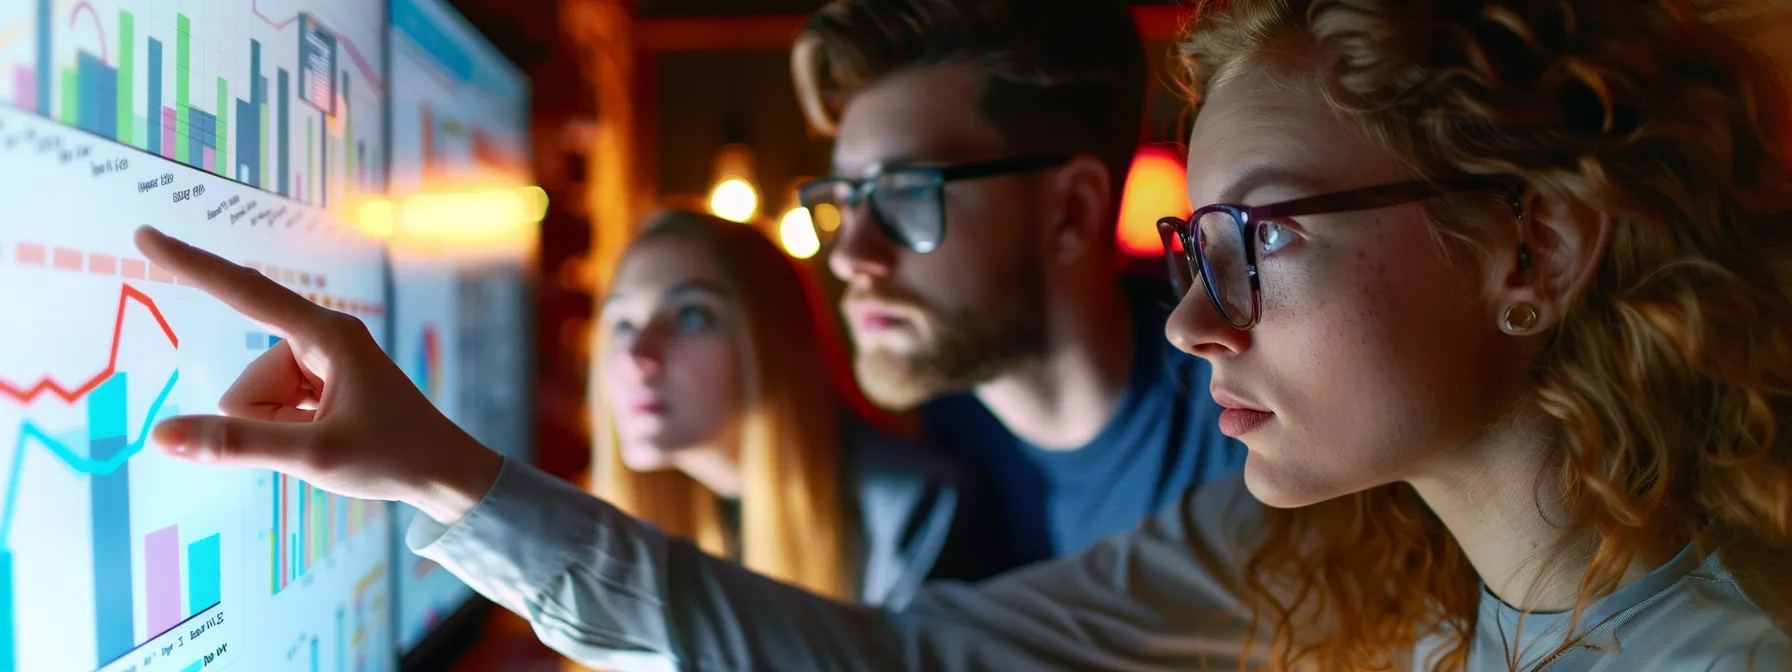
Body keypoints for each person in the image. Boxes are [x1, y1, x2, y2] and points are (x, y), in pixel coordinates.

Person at [136, 0, 1792, 668]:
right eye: (1191, 246)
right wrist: (440, 477)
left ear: (1539, 246)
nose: (1196, 318)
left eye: (1257, 240)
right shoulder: (1342, 542)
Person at [791, 0, 1245, 571]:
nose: (851, 257)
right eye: (846, 200)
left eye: (906, 194)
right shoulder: (923, 476)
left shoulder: (1246, 427)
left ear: (1072, 211)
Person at [588, 209, 989, 606]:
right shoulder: (665, 529)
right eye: (623, 323)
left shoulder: (909, 510)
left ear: (773, 341)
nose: (638, 355)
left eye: (692, 316)